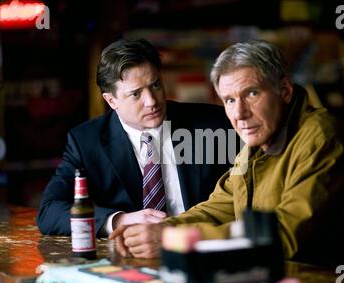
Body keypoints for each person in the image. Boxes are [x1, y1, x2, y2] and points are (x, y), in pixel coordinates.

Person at [111, 40, 344, 275]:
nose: (239, 114)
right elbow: (219, 207)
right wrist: (159, 229)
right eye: (229, 100)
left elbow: (287, 236)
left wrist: (172, 240)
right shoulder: (257, 143)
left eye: (251, 94)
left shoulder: (322, 138)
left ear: (284, 90)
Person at [37, 38, 237, 237]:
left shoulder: (214, 124)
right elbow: (49, 212)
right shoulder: (87, 142)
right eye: (135, 94)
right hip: (134, 254)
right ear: (111, 100)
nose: (151, 101)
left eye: (156, 85)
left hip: (203, 246)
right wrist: (119, 220)